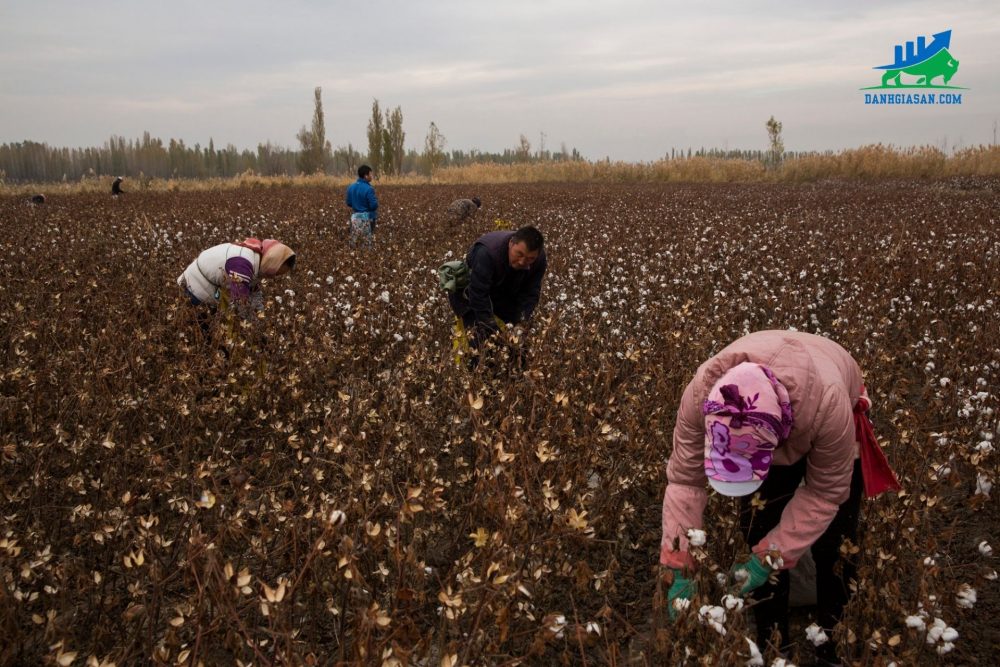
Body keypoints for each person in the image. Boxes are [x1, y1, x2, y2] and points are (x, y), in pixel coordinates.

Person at [659, 330, 899, 665]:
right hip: (789, 408)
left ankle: (833, 643)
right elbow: (685, 480)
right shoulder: (701, 393)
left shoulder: (829, 406)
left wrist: (770, 558)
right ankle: (773, 646)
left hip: (826, 403)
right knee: (759, 524)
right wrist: (679, 559)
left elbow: (826, 493)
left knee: (836, 542)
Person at [448, 226, 547, 368]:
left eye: (530, 259)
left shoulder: (539, 260)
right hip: (468, 295)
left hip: (501, 291)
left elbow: (531, 293)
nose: (522, 262)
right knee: (479, 342)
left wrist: (521, 321)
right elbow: (478, 295)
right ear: (511, 243)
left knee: (518, 344)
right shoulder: (487, 252)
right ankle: (470, 376)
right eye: (519, 254)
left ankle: (514, 375)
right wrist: (492, 329)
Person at [176, 238, 296, 340]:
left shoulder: (256, 260)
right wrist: (257, 331)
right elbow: (240, 303)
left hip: (204, 287)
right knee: (201, 333)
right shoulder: (242, 264)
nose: (273, 277)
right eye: (275, 273)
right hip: (193, 288)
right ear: (271, 263)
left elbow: (254, 294)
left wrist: (261, 319)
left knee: (207, 330)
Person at [345, 165, 378, 246]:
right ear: (366, 176)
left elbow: (348, 203)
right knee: (366, 243)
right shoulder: (369, 189)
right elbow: (374, 205)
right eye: (371, 174)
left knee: (355, 241)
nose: (372, 176)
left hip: (355, 218)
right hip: (368, 218)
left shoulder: (351, 187)